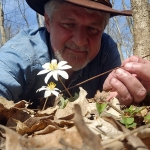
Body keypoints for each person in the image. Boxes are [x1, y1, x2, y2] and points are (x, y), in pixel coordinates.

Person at [0, 0, 148, 108]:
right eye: (69, 24)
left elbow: (115, 96)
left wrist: (130, 90)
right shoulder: (21, 53)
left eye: (92, 29)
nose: (80, 41)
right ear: (48, 22)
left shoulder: (106, 50)